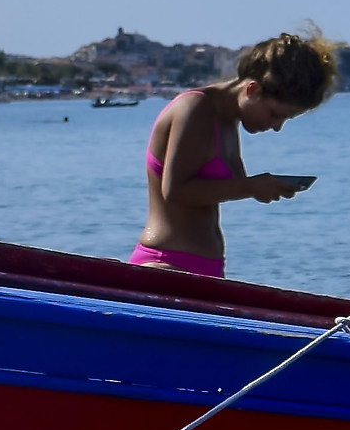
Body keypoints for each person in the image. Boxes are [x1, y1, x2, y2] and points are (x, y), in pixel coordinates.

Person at [130, 29, 333, 275]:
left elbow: (218, 189)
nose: (277, 127)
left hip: (206, 267)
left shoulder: (227, 119)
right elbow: (175, 191)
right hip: (166, 264)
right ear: (252, 90)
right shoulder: (195, 109)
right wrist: (251, 187)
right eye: (275, 114)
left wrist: (264, 188)